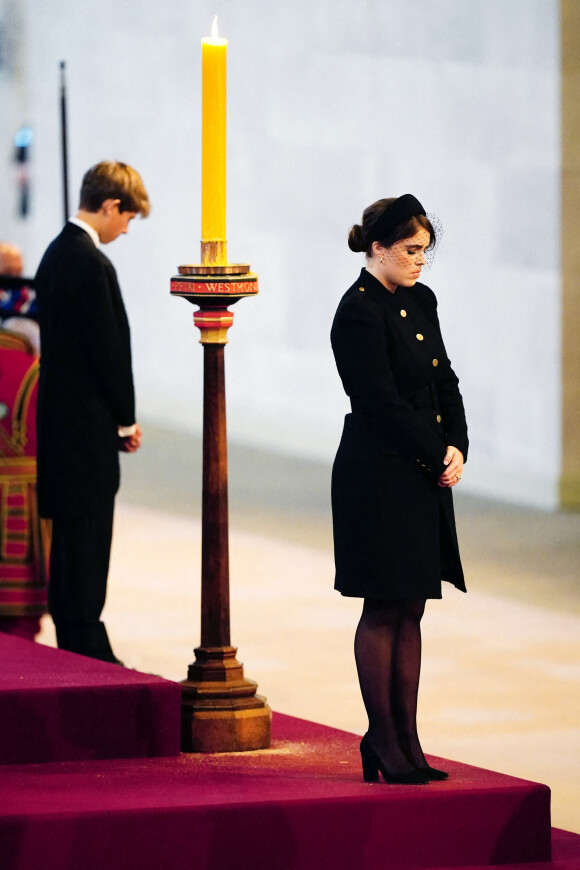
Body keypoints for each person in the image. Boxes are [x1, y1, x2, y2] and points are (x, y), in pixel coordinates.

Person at [331, 194, 468, 785]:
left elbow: (445, 378)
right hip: (379, 472)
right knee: (383, 605)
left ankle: (407, 741)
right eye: (411, 251)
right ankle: (383, 741)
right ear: (378, 246)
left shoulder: (420, 300)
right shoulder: (357, 312)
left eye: (424, 253)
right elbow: (379, 401)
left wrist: (458, 445)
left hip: (422, 471)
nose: (418, 262)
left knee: (412, 604)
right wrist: (434, 450)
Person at [35, 161, 150, 663]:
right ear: (109, 206)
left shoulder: (54, 254)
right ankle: (86, 643)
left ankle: (72, 634)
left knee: (67, 538)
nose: (126, 229)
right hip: (88, 432)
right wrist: (125, 419)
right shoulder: (92, 262)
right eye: (127, 217)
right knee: (88, 535)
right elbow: (110, 352)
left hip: (57, 425)